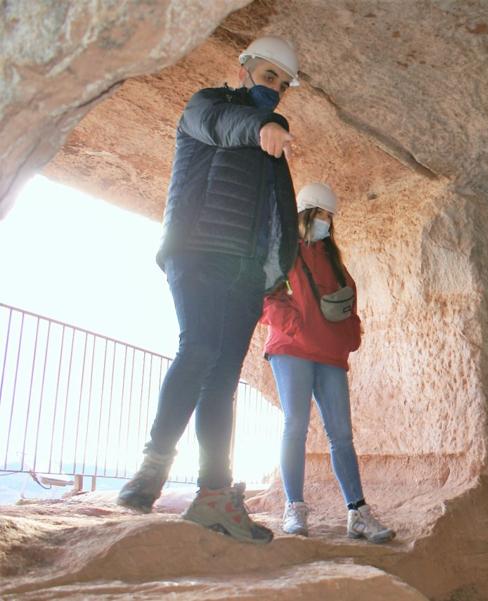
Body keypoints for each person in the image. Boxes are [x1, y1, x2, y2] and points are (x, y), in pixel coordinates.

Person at [117, 36, 303, 544]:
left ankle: (214, 498)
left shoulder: (272, 149)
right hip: (198, 251)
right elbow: (223, 125)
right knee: (197, 348)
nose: (276, 90)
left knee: (222, 382)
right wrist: (264, 124)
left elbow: (276, 216)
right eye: (269, 77)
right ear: (243, 70)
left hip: (246, 275)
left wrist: (276, 271)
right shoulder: (207, 106)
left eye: (283, 86)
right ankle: (154, 465)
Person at [261, 182, 394, 544]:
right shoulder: (283, 250)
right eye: (321, 215)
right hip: (292, 350)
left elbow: (349, 303)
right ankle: (295, 507)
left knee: (342, 435)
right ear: (305, 214)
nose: (326, 223)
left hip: (330, 355)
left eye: (329, 218)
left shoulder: (333, 260)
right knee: (296, 426)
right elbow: (265, 296)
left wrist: (351, 337)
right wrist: (294, 325)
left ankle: (358, 512)